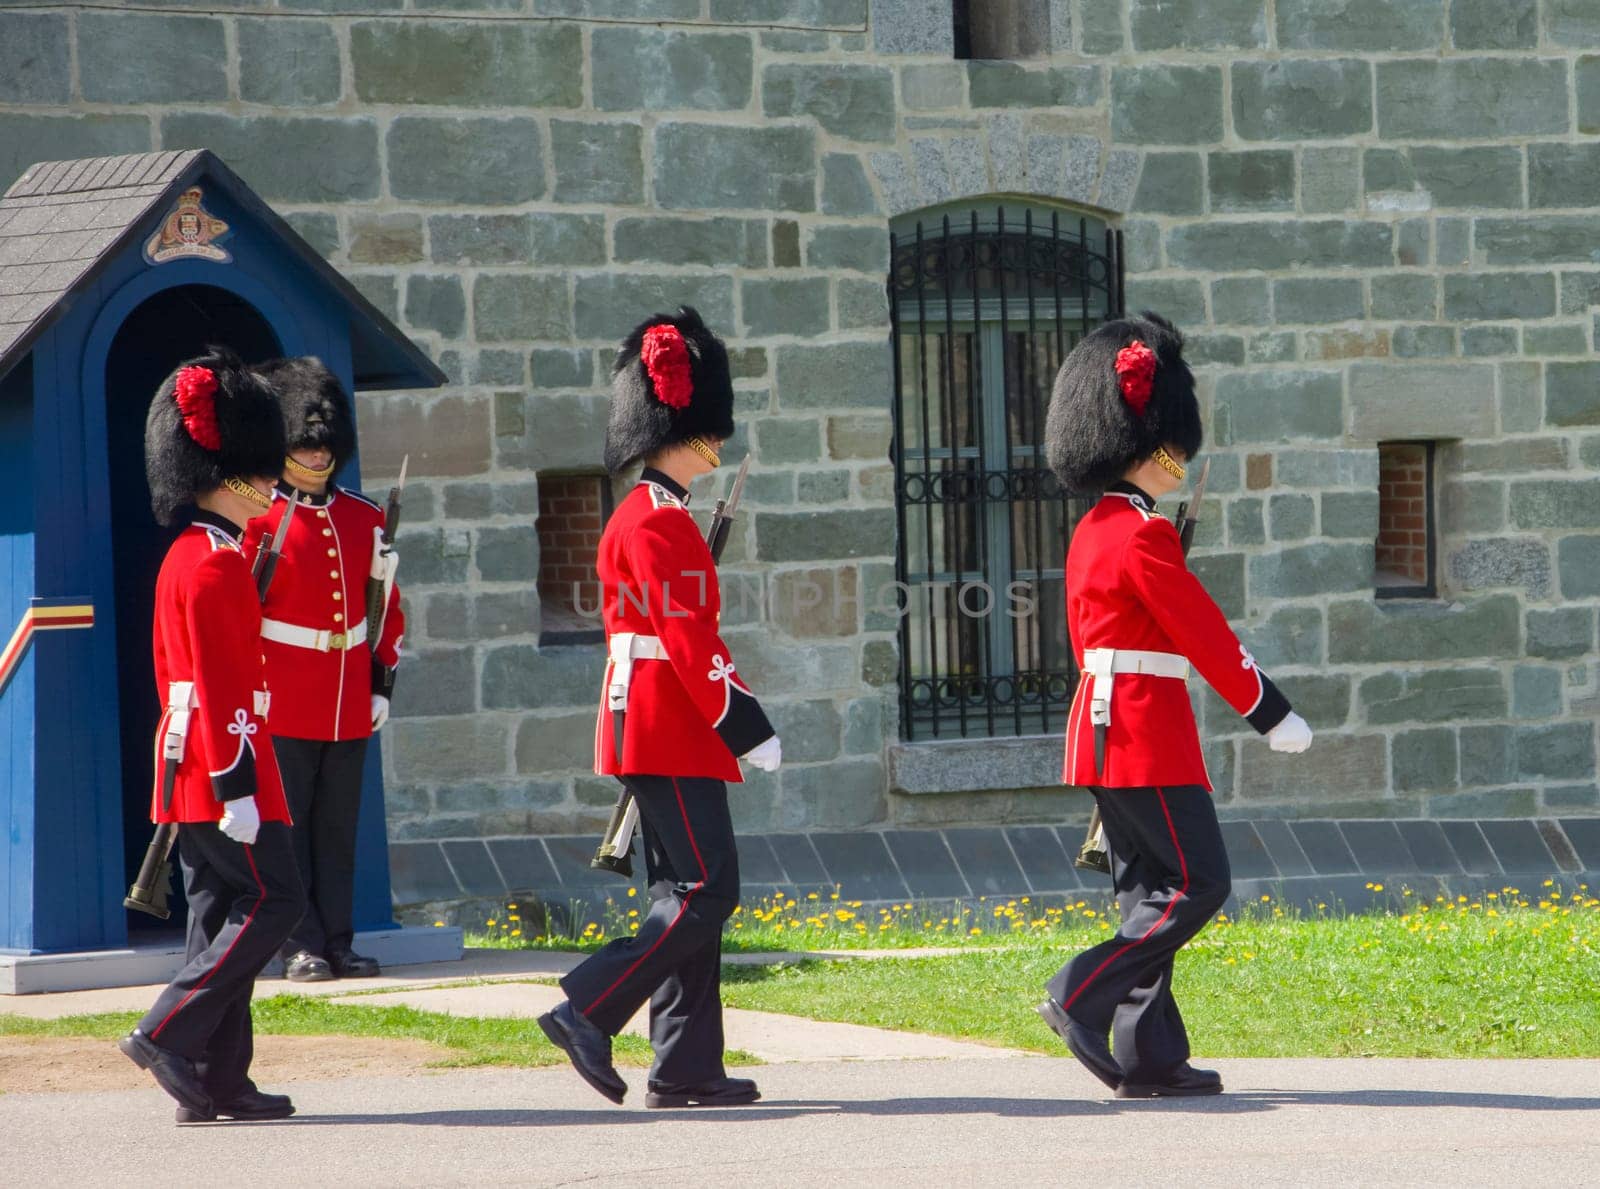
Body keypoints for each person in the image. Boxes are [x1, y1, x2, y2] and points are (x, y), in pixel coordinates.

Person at [1036, 312, 1313, 1099]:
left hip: (1101, 728)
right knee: (1197, 883)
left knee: (1146, 892)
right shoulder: (1143, 535)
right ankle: (1079, 989)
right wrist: (1270, 710)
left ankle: (1149, 1055)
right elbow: (1206, 634)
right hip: (1143, 732)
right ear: (1154, 444)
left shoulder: (1099, 528)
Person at [538, 307, 781, 1109]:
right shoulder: (657, 521)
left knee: (684, 896)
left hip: (660, 720)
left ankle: (684, 1064)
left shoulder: (654, 514)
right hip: (669, 723)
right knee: (709, 892)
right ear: (682, 426)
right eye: (708, 427)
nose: (719, 441)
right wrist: (745, 722)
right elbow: (689, 638)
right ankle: (590, 1006)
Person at [119, 347, 305, 1124]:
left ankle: (215, 1075)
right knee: (277, 898)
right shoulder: (218, 566)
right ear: (229, 473)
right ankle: (167, 1028)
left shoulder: (194, 555)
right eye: (260, 472)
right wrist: (238, 784)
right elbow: (224, 686)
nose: (271, 484)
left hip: (191, 761)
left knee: (215, 908)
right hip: (223, 764)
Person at [243, 357, 403, 982]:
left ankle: (339, 940)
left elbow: (386, 610)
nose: (313, 455)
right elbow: (243, 616)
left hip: (346, 698)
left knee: (337, 833)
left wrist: (381, 679)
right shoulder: (259, 520)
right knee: (290, 828)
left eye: (320, 444)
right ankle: (298, 944)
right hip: (282, 696)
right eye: (302, 445)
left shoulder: (363, 518)